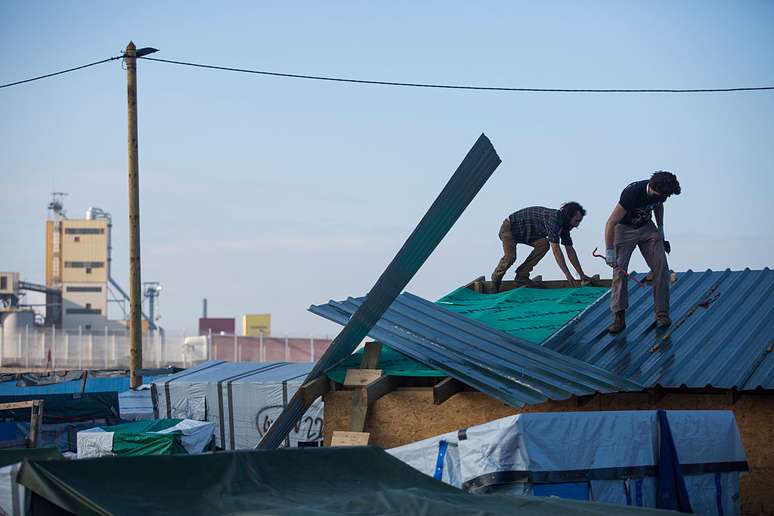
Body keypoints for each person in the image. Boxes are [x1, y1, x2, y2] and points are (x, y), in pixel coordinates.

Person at [604, 171, 681, 334]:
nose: (665, 197)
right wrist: (609, 250)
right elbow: (610, 222)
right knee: (620, 272)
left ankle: (662, 315)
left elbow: (659, 206)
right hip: (624, 230)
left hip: (647, 227)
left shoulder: (662, 193)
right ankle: (619, 317)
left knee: (661, 268)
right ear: (653, 188)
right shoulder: (632, 193)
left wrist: (660, 230)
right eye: (664, 194)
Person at [491, 203, 591, 292]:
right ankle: (495, 281)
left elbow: (570, 250)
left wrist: (581, 274)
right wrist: (567, 275)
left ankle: (522, 276)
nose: (577, 224)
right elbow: (556, 249)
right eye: (576, 221)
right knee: (510, 257)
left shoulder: (565, 227)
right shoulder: (554, 218)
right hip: (509, 229)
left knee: (544, 244)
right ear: (569, 216)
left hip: (528, 233)